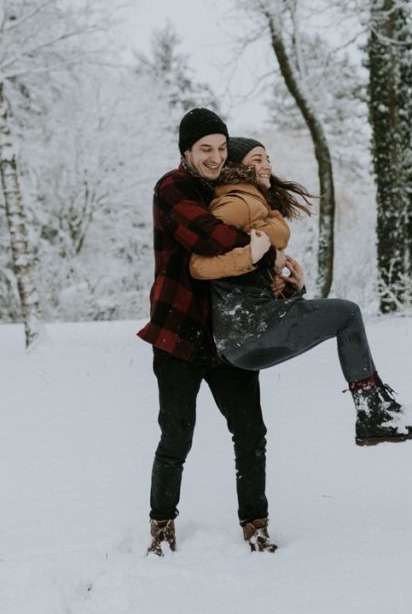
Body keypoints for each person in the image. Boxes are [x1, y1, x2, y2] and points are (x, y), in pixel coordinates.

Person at [189, 137, 412, 447]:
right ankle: (372, 412)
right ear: (237, 167)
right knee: (347, 313)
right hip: (250, 332)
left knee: (343, 315)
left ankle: (380, 408)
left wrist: (293, 288)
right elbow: (201, 263)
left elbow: (240, 280)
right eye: (257, 159)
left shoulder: (254, 203)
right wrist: (252, 256)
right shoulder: (234, 202)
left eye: (267, 158)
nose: (267, 165)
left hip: (249, 333)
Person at [137, 110, 280, 557]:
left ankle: (255, 525)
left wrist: (272, 254)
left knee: (250, 430)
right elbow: (209, 238)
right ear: (186, 151)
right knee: (177, 435)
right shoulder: (172, 188)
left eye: (221, 148)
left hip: (227, 334)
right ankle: (162, 527)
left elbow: (269, 223)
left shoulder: (223, 189)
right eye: (206, 149)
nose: (216, 158)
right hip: (179, 332)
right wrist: (260, 243)